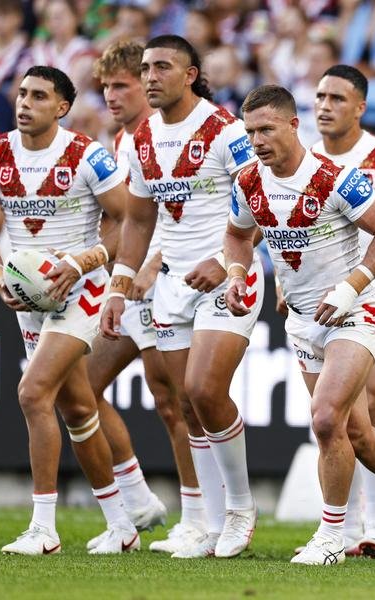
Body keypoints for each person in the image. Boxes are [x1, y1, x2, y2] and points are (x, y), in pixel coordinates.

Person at [224, 84, 375, 566]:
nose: (257, 140)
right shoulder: (247, 181)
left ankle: (331, 537)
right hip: (305, 321)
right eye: (249, 132)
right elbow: (238, 234)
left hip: (358, 310)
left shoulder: (337, 178)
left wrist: (352, 285)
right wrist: (236, 273)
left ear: (293, 125)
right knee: (357, 431)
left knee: (326, 418)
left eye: (266, 129)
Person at [100, 35, 263, 560]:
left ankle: (240, 508)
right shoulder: (142, 138)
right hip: (171, 284)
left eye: (162, 67)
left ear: (189, 75)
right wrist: (119, 288)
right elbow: (140, 219)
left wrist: (227, 261)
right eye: (145, 67)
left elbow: (261, 201)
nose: (150, 76)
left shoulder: (226, 131)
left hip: (228, 275)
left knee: (203, 390)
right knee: (189, 407)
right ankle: (204, 522)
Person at [0, 65, 139, 554]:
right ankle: (121, 523)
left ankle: (44, 529)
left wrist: (84, 260)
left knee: (32, 393)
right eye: (22, 93)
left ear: (61, 108)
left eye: (39, 96)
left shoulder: (87, 155)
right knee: (79, 409)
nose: (24, 103)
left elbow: (126, 219)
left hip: (81, 288)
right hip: (30, 297)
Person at [88, 39, 209, 554]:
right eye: (108, 86)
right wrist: (115, 274)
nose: (113, 95)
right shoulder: (126, 142)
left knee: (175, 401)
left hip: (173, 282)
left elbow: (185, 214)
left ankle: (202, 513)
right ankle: (137, 500)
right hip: (132, 285)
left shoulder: (191, 133)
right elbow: (132, 219)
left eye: (124, 84)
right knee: (80, 386)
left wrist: (150, 264)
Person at [311, 64, 375, 558]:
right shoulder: (305, 162)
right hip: (321, 306)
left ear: (360, 107)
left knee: (368, 401)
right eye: (319, 96)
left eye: (337, 98)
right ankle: (348, 526)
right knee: (338, 418)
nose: (325, 106)